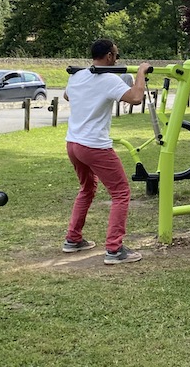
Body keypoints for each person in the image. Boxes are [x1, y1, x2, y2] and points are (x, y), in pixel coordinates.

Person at [62, 39, 151, 265]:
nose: (117, 60)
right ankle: (115, 249)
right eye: (117, 55)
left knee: (87, 188)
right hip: (93, 145)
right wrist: (141, 71)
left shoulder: (77, 76)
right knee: (121, 193)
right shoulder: (108, 79)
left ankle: (73, 239)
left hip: (73, 143)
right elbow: (136, 98)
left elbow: (67, 95)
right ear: (110, 57)